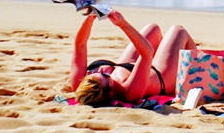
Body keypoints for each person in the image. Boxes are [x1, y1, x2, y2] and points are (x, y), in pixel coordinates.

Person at [69, 8, 202, 106]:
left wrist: (91, 17)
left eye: (93, 73)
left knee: (153, 28)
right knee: (178, 30)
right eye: (104, 75)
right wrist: (123, 25)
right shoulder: (129, 91)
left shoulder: (80, 83)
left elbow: (79, 44)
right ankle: (198, 69)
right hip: (161, 75)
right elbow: (146, 53)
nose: (101, 69)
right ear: (110, 93)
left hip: (127, 65)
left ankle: (170, 53)